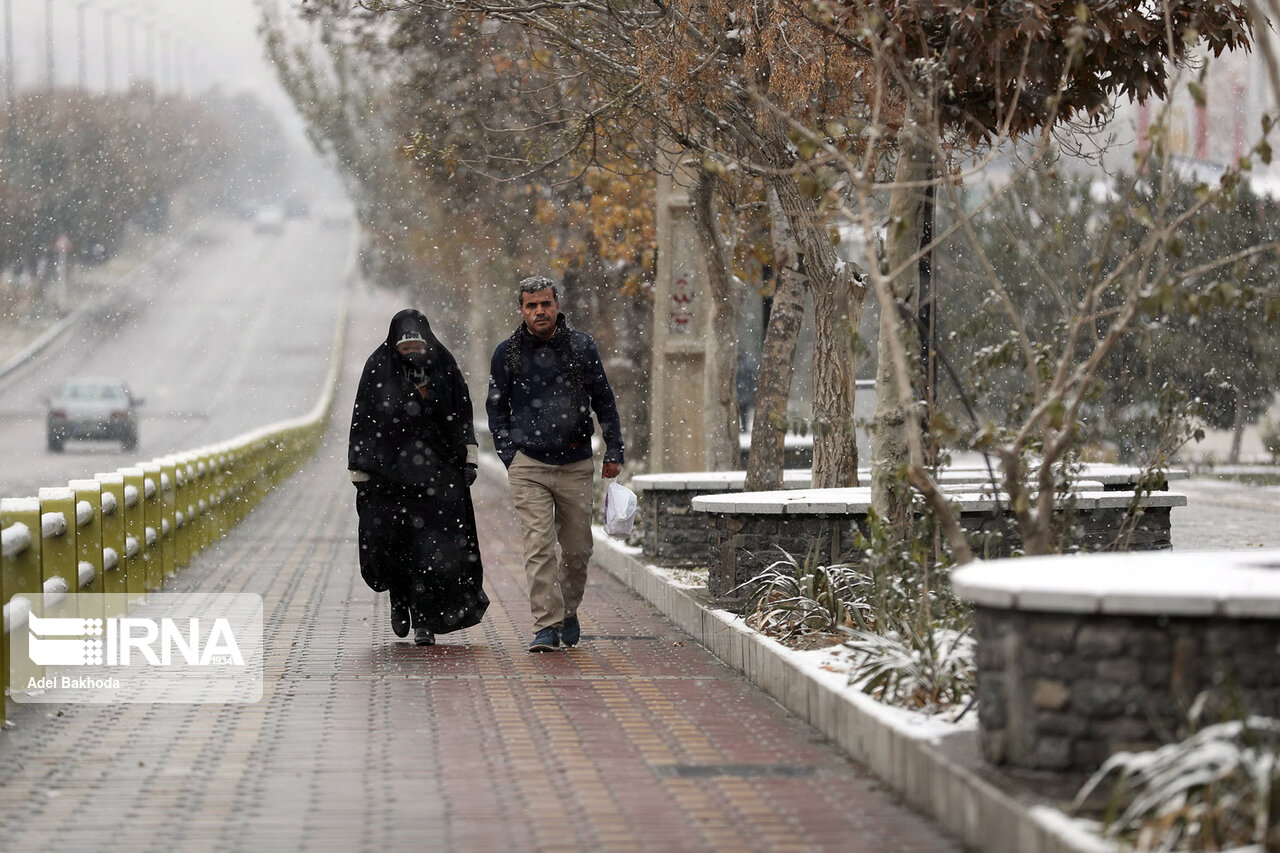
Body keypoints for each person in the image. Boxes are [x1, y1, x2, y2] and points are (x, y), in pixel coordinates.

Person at [487, 276, 625, 653]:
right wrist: (509, 456)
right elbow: (496, 409)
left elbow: (604, 399)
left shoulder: (581, 347)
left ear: (557, 305)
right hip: (528, 465)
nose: (539, 312)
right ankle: (546, 625)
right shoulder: (507, 353)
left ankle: (568, 611)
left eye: (545, 304)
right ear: (521, 310)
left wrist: (613, 450)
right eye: (531, 306)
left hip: (576, 462)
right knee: (539, 547)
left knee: (578, 549)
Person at [349, 308, 489, 646]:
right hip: (389, 479)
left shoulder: (444, 366)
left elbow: (462, 413)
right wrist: (360, 468)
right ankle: (400, 600)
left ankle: (425, 620)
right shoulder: (377, 367)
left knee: (434, 552)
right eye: (405, 345)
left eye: (417, 344)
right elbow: (363, 419)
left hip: (437, 480)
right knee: (395, 546)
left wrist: (468, 458)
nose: (411, 351)